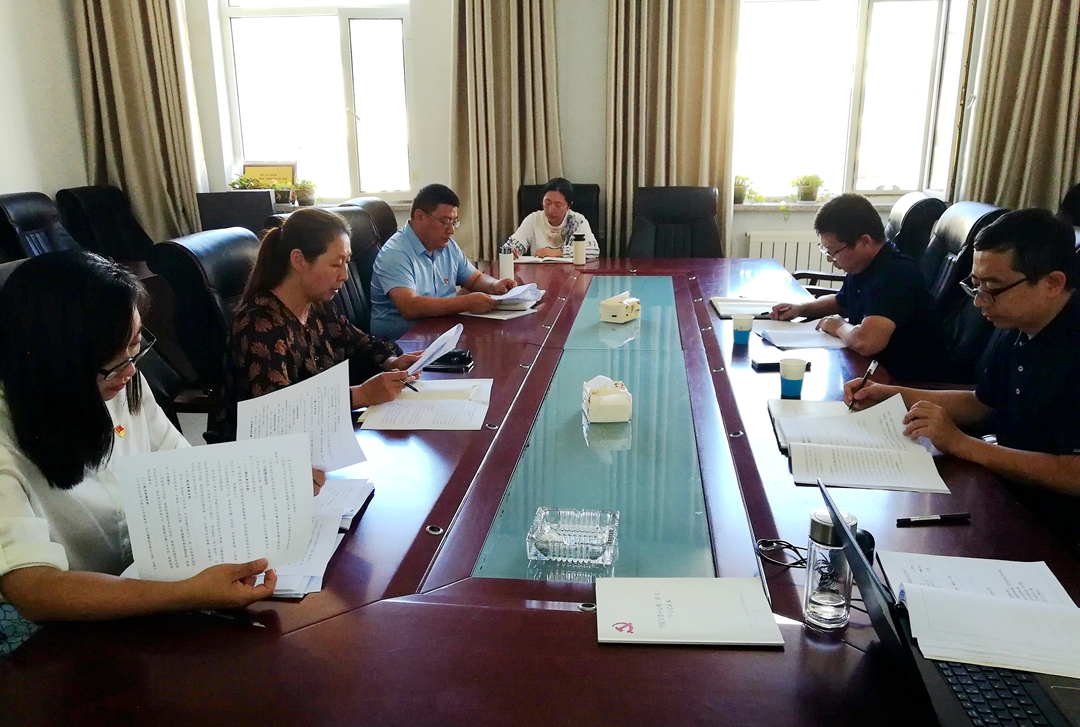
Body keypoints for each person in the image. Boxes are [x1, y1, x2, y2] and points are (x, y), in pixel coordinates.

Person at [0, 251, 277, 623]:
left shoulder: (121, 379)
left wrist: (269, 480)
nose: (131, 369)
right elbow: (33, 588)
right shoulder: (7, 435)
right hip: (62, 628)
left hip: (146, 589)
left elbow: (183, 467)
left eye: (134, 344)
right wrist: (188, 593)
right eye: (114, 359)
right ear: (56, 363)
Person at [844, 209, 1080, 546]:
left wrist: (962, 444)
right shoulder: (1021, 325)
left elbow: (1074, 473)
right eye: (976, 285)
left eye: (992, 287)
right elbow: (981, 404)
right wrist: (890, 394)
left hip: (1056, 531)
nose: (979, 301)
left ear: (1052, 283)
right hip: (1006, 494)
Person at [233, 207, 420, 416]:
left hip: (323, 427)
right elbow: (277, 409)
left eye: (346, 263)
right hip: (272, 436)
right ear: (299, 260)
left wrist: (392, 362)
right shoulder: (259, 323)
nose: (345, 276)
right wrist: (362, 395)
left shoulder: (318, 304)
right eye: (336, 264)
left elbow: (357, 342)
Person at [771, 193, 945, 381]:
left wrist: (838, 326)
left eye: (833, 252)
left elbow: (866, 342)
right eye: (826, 251)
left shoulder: (894, 274)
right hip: (871, 369)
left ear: (865, 242)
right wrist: (801, 309)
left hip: (906, 381)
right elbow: (841, 302)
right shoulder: (864, 265)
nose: (830, 259)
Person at [368, 184, 517, 340]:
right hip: (402, 344)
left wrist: (495, 285)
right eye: (446, 222)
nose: (451, 230)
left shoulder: (447, 245)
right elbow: (409, 307)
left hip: (441, 334)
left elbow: (475, 279)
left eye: (454, 222)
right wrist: (466, 303)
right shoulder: (395, 253)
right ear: (420, 216)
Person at [506, 177, 600, 259]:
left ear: (569, 206)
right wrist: (510, 250)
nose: (551, 210)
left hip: (570, 272)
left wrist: (558, 252)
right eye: (547, 203)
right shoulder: (533, 219)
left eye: (558, 205)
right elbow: (511, 245)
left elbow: (593, 250)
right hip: (539, 272)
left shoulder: (577, 221)